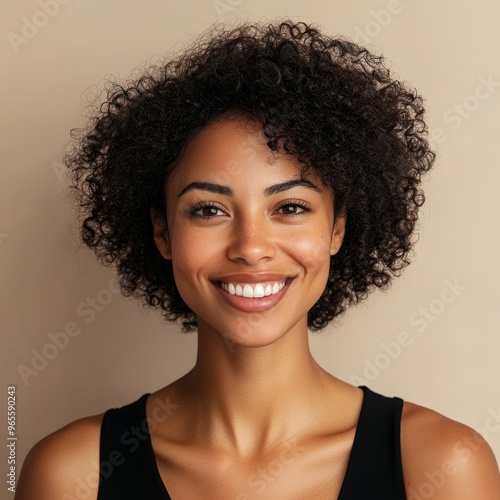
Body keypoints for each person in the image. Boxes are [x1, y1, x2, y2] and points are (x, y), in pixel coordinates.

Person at [15, 20, 500, 499]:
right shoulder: (72, 475)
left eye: (290, 208)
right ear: (162, 231)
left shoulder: (439, 465)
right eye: (209, 210)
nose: (250, 246)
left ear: (337, 228)